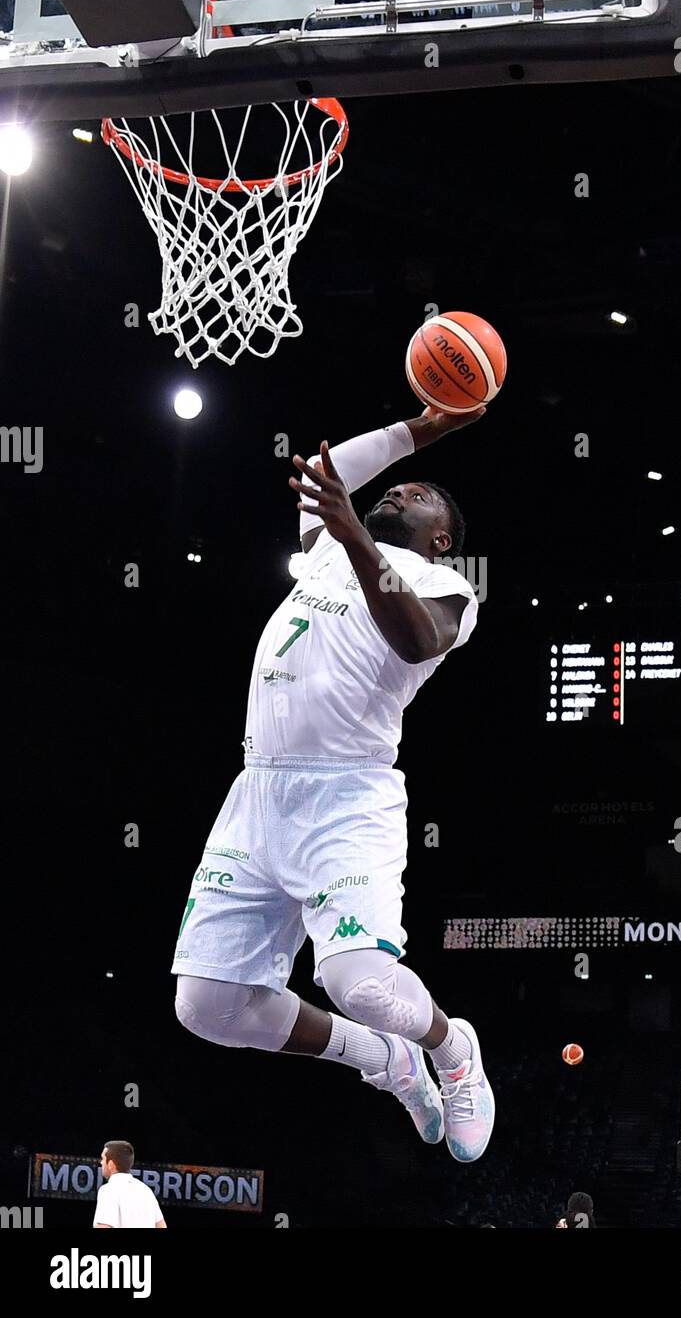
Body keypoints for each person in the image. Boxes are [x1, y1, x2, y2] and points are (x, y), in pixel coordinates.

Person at [172, 405, 496, 1163]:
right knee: (207, 1006)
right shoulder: (325, 548)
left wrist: (354, 533)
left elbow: (417, 639)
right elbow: (325, 475)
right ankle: (381, 1061)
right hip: (258, 794)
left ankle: (453, 1050)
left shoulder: (445, 585)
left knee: (361, 984)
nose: (399, 492)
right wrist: (425, 427)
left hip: (348, 799)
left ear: (440, 535)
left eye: (417, 495)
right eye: (397, 486)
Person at [93, 1141, 166, 1228]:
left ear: (111, 1164)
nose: (101, 1163)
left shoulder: (108, 1190)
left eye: (103, 1159)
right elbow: (161, 1226)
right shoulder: (146, 1191)